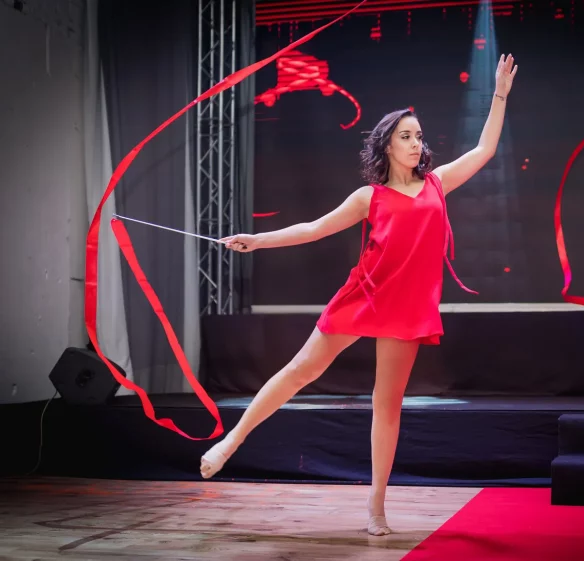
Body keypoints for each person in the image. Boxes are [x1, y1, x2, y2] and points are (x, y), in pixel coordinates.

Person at [199, 54, 518, 535]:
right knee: (300, 370)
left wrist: (499, 95)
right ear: (387, 145)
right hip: (364, 295)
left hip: (409, 307)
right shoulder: (370, 196)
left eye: (419, 136)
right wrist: (257, 239)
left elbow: (485, 149)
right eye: (406, 136)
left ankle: (376, 509)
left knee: (386, 405)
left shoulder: (437, 184)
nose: (416, 143)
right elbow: (313, 229)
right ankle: (232, 440)